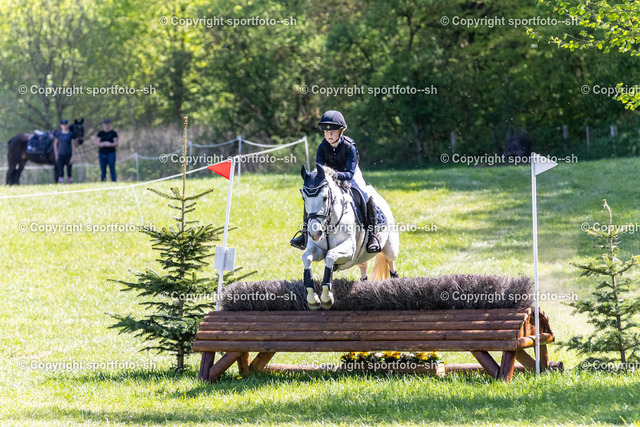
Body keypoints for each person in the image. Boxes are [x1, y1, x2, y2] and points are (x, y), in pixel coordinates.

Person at [290, 110, 381, 253]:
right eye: (326, 132)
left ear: (341, 131)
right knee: (312, 196)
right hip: (329, 176)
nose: (329, 135)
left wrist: (334, 175)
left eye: (333, 132)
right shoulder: (322, 147)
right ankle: (305, 233)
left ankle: (373, 235)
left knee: (365, 193)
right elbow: (320, 168)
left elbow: (350, 173)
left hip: (350, 175)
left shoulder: (350, 146)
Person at [53, 119, 75, 184]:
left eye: (65, 125)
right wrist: (56, 154)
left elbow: (73, 145)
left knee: (69, 170)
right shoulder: (58, 134)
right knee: (60, 170)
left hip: (68, 154)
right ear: (61, 126)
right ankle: (61, 181)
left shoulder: (71, 134)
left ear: (67, 125)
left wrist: (73, 156)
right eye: (63, 125)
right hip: (60, 154)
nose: (64, 126)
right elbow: (55, 144)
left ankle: (69, 181)